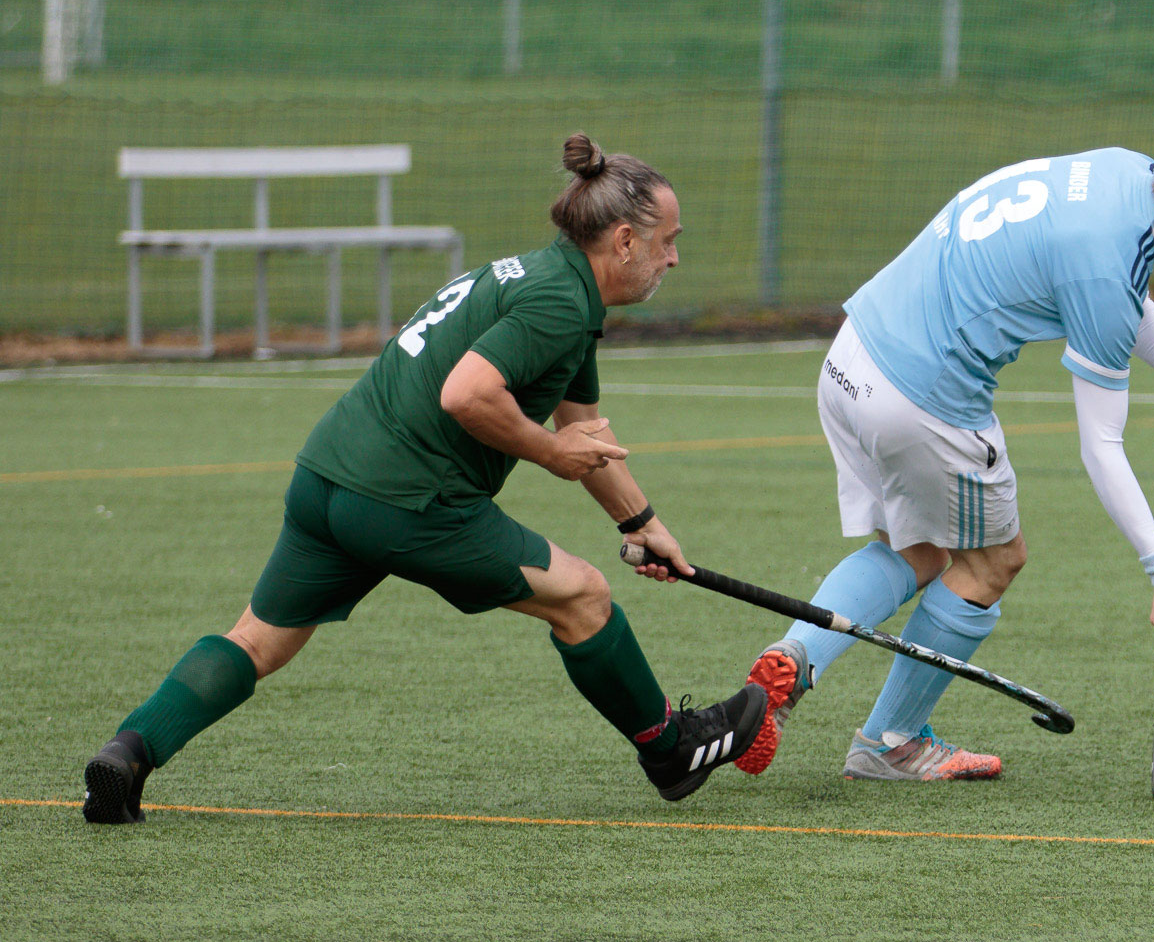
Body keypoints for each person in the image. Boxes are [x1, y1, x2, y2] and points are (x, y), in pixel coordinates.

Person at [82, 134, 767, 822]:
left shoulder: (549, 284)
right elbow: (467, 396)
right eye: (668, 241)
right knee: (583, 596)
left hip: (327, 478)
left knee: (257, 641)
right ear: (624, 241)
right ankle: (671, 751)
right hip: (408, 501)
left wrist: (644, 525)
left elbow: (584, 427)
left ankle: (128, 753)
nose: (673, 258)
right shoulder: (559, 303)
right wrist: (548, 453)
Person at [725, 124, 1154, 780]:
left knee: (917, 550)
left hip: (851, 358)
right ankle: (892, 744)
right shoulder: (1105, 258)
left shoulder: (1128, 175)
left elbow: (1119, 289)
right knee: (993, 560)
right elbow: (1101, 444)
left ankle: (795, 657)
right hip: (921, 397)